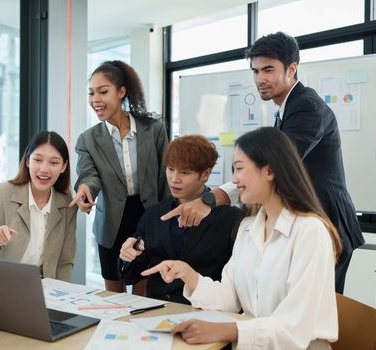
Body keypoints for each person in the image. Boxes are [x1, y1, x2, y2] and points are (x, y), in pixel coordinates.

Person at [162, 32, 364, 293]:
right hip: (304, 221)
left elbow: (277, 165)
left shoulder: (306, 107)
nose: (260, 79)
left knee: (316, 318)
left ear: (292, 68)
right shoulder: (286, 110)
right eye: (255, 71)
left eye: (268, 70)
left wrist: (213, 199)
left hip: (325, 224)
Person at [144, 127, 342, 349]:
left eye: (239, 169)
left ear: (269, 171)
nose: (234, 182)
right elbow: (229, 299)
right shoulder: (248, 228)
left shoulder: (310, 232)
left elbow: (295, 326)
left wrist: (226, 330)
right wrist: (188, 275)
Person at [70, 60, 168, 293]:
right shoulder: (88, 139)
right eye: (91, 93)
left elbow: (165, 177)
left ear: (121, 92)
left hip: (147, 216)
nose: (95, 100)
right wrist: (85, 188)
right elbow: (89, 175)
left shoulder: (153, 129)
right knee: (113, 293)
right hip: (112, 222)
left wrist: (165, 222)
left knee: (143, 290)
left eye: (103, 91)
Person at [118, 135, 243, 304]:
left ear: (205, 174)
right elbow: (130, 277)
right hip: (157, 312)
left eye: (185, 172)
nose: (174, 179)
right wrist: (127, 256)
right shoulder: (154, 214)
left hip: (206, 312)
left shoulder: (230, 218)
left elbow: (237, 287)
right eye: (170, 169)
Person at [0, 131, 76, 282]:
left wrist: (62, 299)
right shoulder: (0, 193)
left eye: (54, 163)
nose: (44, 169)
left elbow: (64, 263)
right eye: (38, 160)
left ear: (63, 167)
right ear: (27, 161)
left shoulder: (68, 205)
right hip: (0, 285)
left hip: (44, 290)